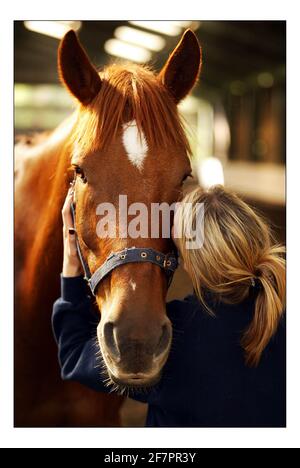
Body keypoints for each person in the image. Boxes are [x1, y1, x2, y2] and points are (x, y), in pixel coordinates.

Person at [52, 185, 286, 427]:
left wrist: (71, 264)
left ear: (190, 261)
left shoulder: (177, 337)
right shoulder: (281, 317)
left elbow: (74, 353)